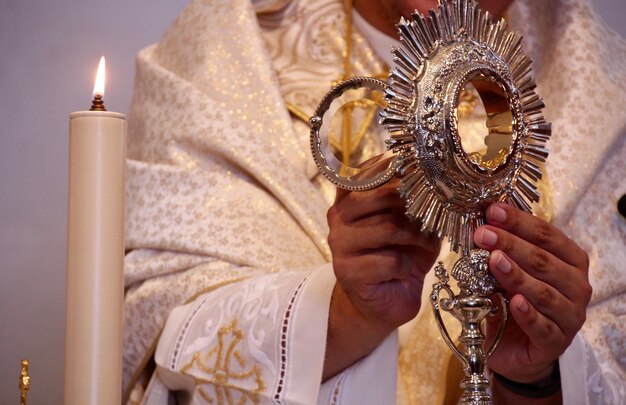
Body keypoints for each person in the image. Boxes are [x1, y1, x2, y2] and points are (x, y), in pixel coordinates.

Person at [122, 0, 626, 403]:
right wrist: (345, 316)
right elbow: (161, 329)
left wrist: (537, 377)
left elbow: (612, 352)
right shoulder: (223, 54)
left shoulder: (599, 85)